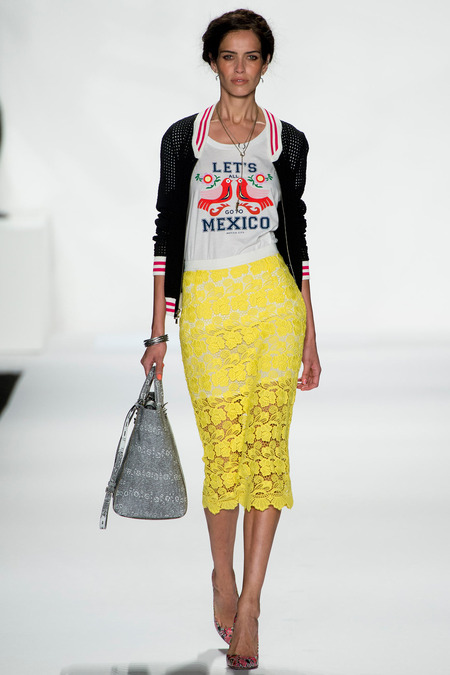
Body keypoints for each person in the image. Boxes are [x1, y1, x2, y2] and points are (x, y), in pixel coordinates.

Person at [141, 9, 321, 670]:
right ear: (212, 61)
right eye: (228, 55)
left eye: (251, 56)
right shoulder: (183, 139)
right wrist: (158, 331)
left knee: (267, 451)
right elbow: (165, 233)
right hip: (209, 309)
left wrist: (311, 334)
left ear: (265, 64)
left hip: (274, 305)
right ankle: (223, 573)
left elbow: (297, 240)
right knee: (224, 453)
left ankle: (250, 605)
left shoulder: (287, 141)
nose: (240, 68)